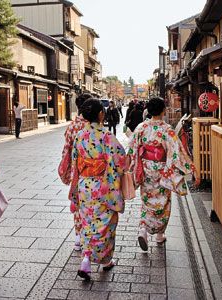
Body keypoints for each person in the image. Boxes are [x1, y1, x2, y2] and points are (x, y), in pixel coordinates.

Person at [127, 97, 194, 251]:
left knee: (147, 200)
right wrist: (190, 168)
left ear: (148, 111)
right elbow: (177, 151)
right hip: (163, 170)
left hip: (145, 168)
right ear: (163, 110)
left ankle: (143, 229)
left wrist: (128, 166)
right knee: (163, 202)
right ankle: (159, 235)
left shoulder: (141, 127)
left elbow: (132, 149)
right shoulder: (166, 129)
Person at [71, 98, 126, 280]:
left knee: (87, 223)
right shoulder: (106, 136)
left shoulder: (79, 135)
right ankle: (105, 261)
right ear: (101, 114)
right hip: (103, 186)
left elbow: (75, 162)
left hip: (84, 185)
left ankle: (86, 259)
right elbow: (119, 160)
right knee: (106, 224)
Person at [58, 92, 92, 251]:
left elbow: (66, 150)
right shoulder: (91, 126)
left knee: (77, 202)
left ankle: (78, 236)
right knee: (91, 203)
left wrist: (67, 170)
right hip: (92, 171)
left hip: (75, 170)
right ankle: (90, 234)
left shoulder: (72, 126)